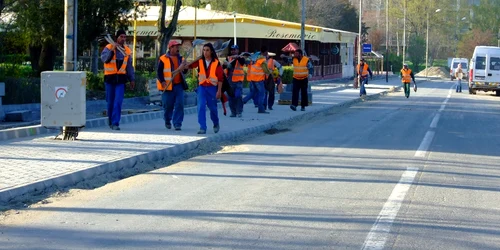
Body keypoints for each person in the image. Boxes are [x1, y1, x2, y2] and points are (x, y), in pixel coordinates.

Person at [101, 29, 135, 131]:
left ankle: (115, 122)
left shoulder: (127, 51)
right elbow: (104, 59)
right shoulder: (108, 48)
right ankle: (111, 120)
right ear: (117, 38)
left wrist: (132, 79)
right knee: (110, 102)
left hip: (120, 79)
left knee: (118, 101)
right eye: (121, 37)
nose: (123, 39)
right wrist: (112, 50)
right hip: (110, 79)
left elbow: (129, 67)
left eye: (124, 37)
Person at [189, 43, 224, 134]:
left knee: (213, 108)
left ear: (211, 51)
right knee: (200, 107)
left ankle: (216, 123)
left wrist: (219, 91)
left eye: (207, 50)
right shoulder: (200, 61)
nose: (205, 52)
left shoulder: (216, 63)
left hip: (212, 88)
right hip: (202, 87)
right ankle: (202, 127)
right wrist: (184, 64)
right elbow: (189, 66)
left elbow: (220, 78)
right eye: (204, 50)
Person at [157, 40, 188, 131]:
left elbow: (184, 71)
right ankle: (167, 119)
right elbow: (159, 72)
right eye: (175, 47)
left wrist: (185, 67)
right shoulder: (163, 58)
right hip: (168, 85)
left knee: (179, 104)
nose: (177, 48)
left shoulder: (181, 59)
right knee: (168, 105)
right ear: (170, 48)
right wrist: (162, 81)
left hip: (178, 86)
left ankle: (177, 123)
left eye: (177, 47)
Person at [244, 46, 272, 114]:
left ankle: (242, 102)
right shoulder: (262, 60)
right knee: (262, 94)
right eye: (267, 52)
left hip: (252, 78)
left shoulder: (254, 58)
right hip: (259, 79)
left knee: (253, 93)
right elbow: (266, 70)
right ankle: (261, 109)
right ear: (265, 52)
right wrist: (271, 72)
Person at [225, 44, 246, 117]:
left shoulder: (241, 58)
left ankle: (239, 111)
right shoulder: (228, 58)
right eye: (232, 50)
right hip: (230, 81)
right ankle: (233, 112)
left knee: (238, 96)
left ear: (238, 50)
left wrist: (237, 57)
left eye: (235, 49)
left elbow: (242, 62)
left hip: (238, 81)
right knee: (230, 97)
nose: (233, 51)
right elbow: (225, 66)